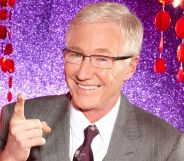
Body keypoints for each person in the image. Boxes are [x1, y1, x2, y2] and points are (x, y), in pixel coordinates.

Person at [0, 2, 183, 161]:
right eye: (76, 55)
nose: (83, 73)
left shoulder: (167, 145)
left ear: (130, 67)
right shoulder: (16, 120)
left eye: (102, 58)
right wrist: (10, 157)